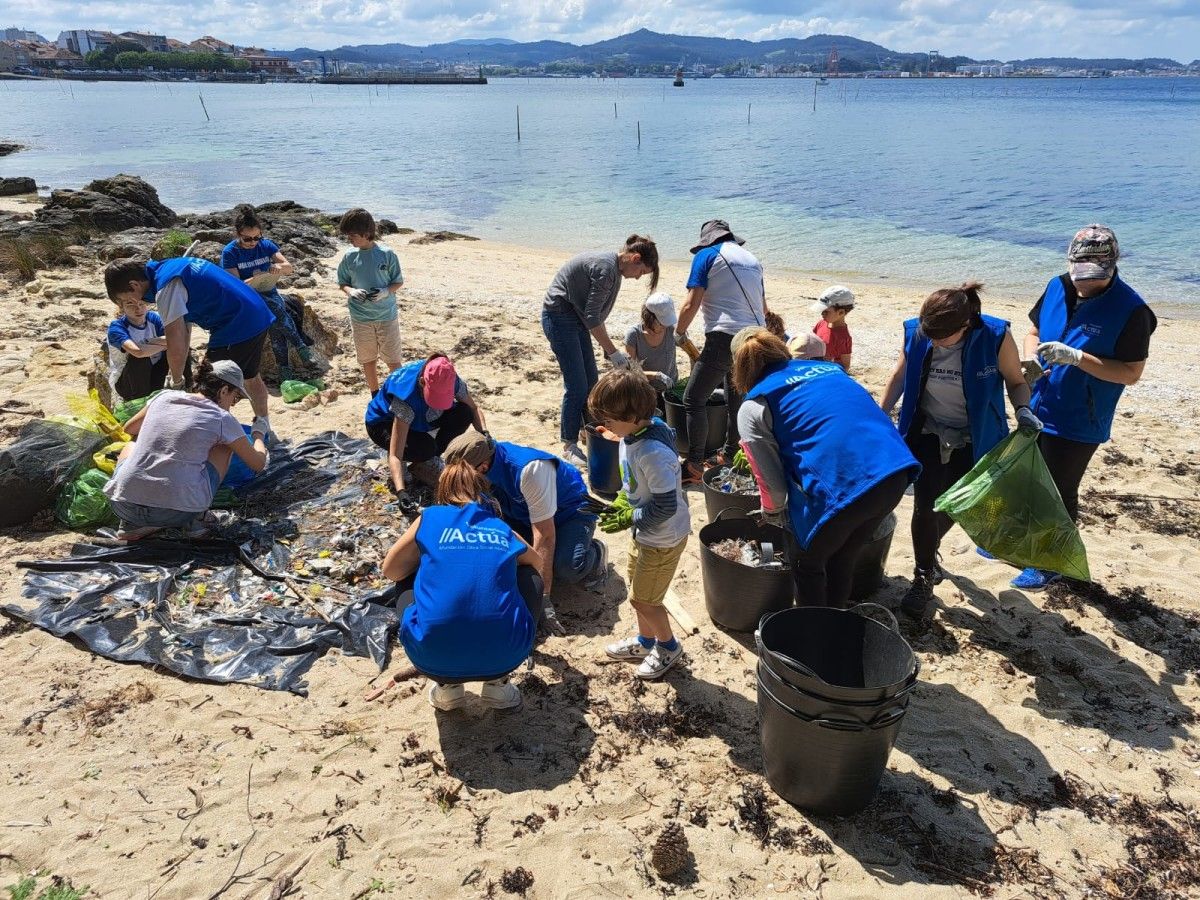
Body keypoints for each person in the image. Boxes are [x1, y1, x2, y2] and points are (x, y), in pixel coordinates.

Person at [880, 282, 1042, 617]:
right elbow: (898, 376)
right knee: (925, 507)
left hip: (976, 435)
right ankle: (923, 576)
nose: (935, 342)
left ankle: (930, 549)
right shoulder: (917, 332)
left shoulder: (995, 336)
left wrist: (1024, 409)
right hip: (926, 430)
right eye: (930, 335)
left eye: (942, 337)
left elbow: (1015, 381)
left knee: (958, 504)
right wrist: (880, 414)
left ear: (965, 325)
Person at [1013, 224, 1156, 591]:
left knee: (1059, 490)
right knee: (1030, 479)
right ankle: (1024, 545)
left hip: (1081, 417)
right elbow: (1033, 331)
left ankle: (1051, 562)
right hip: (1039, 402)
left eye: (1093, 278)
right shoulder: (1056, 286)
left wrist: (1077, 358)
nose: (1083, 284)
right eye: (1080, 275)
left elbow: (1130, 373)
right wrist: (1032, 360)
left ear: (1112, 267)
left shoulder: (1132, 310)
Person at [734, 328, 920, 609]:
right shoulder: (832, 372)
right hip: (895, 473)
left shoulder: (755, 404)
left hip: (847, 487)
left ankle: (813, 638)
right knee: (843, 557)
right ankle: (834, 621)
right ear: (782, 351)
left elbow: (774, 488)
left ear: (740, 368)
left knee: (807, 564)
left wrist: (771, 514)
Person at [381, 460, 544, 711]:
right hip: (505, 655)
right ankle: (498, 685)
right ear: (481, 491)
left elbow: (390, 570)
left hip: (431, 657)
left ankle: (447, 690)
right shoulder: (499, 526)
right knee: (529, 574)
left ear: (442, 490)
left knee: (404, 576)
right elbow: (536, 562)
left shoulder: (429, 518)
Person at [589, 370, 691, 679]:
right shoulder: (631, 435)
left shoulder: (653, 452)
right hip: (644, 534)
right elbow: (632, 484)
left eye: (610, 421)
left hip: (663, 537)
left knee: (645, 600)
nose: (605, 427)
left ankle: (669, 647)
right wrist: (622, 502)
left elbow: (664, 505)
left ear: (633, 415)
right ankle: (646, 642)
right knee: (638, 591)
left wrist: (628, 517)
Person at [103, 257, 276, 437]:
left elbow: (175, 341)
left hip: (235, 324)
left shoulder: (167, 287)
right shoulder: (171, 266)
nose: (134, 302)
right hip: (257, 312)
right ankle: (264, 427)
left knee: (210, 391)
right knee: (250, 376)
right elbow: (184, 331)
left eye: (126, 297)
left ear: (134, 285)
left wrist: (177, 381)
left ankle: (221, 440)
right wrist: (176, 373)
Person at [443, 430, 608, 617]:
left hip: (570, 513)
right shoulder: (478, 467)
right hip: (521, 512)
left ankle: (595, 553)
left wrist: (542, 598)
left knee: (567, 566)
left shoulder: (529, 470)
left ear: (483, 467)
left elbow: (545, 534)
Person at [103, 358, 269, 541]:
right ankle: (197, 521)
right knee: (224, 446)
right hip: (180, 512)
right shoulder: (222, 418)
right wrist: (258, 434)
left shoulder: (164, 397)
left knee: (133, 443)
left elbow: (129, 428)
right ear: (223, 391)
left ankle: (131, 525)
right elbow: (258, 464)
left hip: (123, 506)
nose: (232, 404)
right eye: (234, 398)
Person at [542, 235, 660, 468]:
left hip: (575, 319)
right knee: (576, 386)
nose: (638, 278)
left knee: (591, 382)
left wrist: (610, 351)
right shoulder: (606, 270)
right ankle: (568, 444)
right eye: (641, 272)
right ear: (635, 258)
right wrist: (614, 352)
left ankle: (588, 432)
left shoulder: (614, 269)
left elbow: (592, 317)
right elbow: (592, 317)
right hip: (559, 317)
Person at [675, 219, 766, 485]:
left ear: (708, 240)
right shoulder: (752, 259)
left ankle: (693, 464)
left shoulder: (706, 255)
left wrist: (679, 333)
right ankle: (731, 454)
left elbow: (692, 302)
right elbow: (764, 307)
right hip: (756, 338)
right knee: (735, 398)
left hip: (725, 336)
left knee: (694, 399)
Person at [365, 353, 486, 494]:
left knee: (464, 413)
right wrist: (401, 491)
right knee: (424, 448)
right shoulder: (405, 396)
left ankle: (426, 461)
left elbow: (473, 408)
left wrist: (485, 434)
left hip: (420, 416)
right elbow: (395, 455)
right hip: (383, 423)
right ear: (423, 382)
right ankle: (416, 460)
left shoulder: (448, 377)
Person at [220, 205, 314, 381]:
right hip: (246, 297)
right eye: (247, 239)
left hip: (268, 291)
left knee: (274, 318)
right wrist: (250, 280)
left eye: (257, 237)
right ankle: (299, 346)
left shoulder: (266, 245)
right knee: (274, 308)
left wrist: (276, 267)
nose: (253, 242)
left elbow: (288, 267)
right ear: (238, 234)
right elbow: (233, 285)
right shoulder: (230, 252)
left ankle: (284, 369)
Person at [337, 208, 405, 394]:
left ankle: (399, 394)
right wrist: (351, 291)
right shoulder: (350, 256)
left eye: (352, 236)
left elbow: (398, 281)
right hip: (360, 318)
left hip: (386, 315)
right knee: (367, 358)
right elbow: (342, 282)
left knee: (392, 358)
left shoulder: (386, 254)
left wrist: (385, 291)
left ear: (366, 234)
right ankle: (374, 393)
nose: (349, 240)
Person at [105, 292, 167, 402]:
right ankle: (139, 401)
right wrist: (165, 346)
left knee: (182, 350)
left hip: (154, 371)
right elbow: (138, 352)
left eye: (141, 304)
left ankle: (184, 386)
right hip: (127, 382)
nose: (138, 309)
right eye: (130, 304)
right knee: (140, 359)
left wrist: (150, 341)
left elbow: (175, 339)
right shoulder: (117, 327)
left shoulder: (153, 318)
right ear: (122, 307)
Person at [624, 292, 680, 397]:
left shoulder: (671, 330)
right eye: (661, 322)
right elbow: (630, 372)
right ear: (649, 317)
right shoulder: (634, 335)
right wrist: (656, 376)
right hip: (646, 391)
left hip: (671, 389)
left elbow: (691, 351)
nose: (664, 326)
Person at [810, 285, 855, 371]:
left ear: (841, 312)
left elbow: (845, 366)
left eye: (826, 312)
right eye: (822, 310)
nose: (822, 314)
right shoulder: (821, 323)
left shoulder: (843, 338)